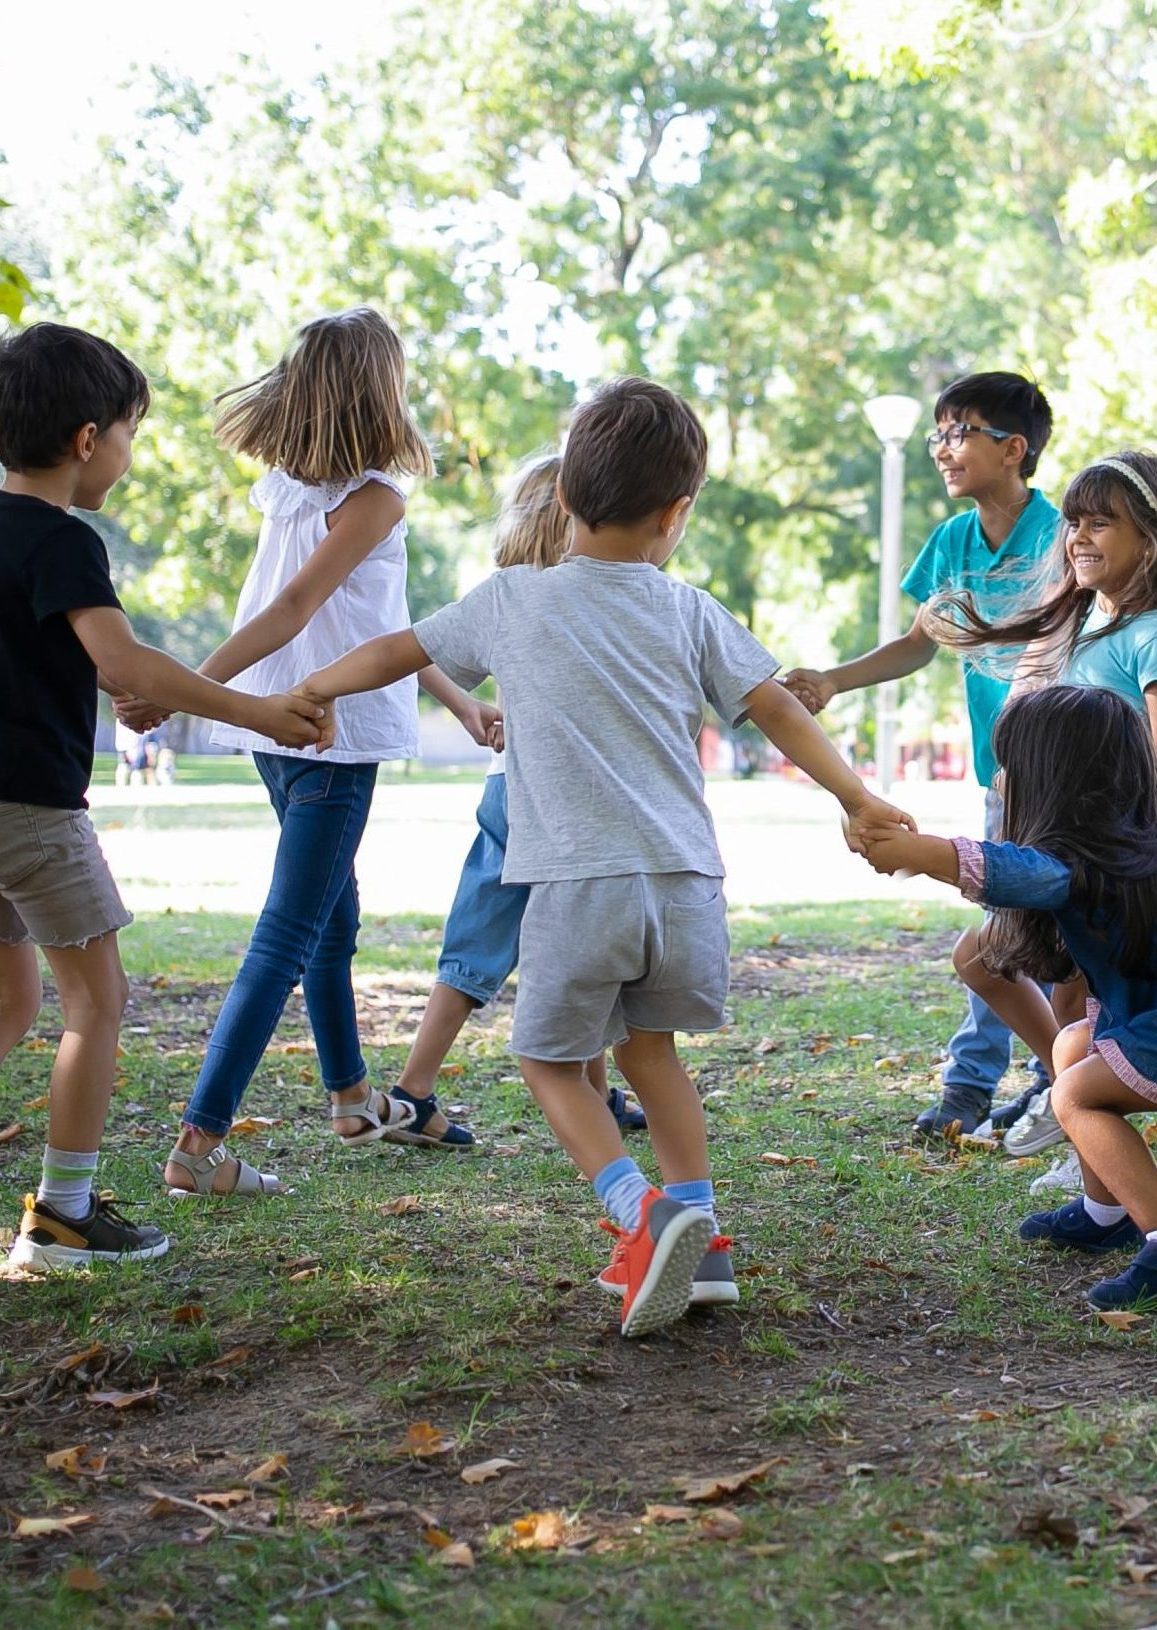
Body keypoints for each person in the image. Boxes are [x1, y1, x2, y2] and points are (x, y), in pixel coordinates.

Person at [294, 376, 914, 1337]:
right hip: (685, 887)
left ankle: (641, 1212)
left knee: (545, 1058)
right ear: (677, 514)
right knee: (651, 1055)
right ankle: (701, 1242)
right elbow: (778, 706)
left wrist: (317, 687)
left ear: (563, 502)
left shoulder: (511, 600)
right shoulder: (688, 609)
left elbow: (396, 650)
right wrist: (858, 796)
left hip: (579, 886)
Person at [111, 309, 497, 1197]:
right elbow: (289, 612)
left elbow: (382, 622)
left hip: (276, 730)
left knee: (332, 917)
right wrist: (179, 686)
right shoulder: (372, 497)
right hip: (327, 731)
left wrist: (460, 700)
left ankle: (352, 1099)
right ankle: (198, 1145)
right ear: (380, 389)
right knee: (290, 930)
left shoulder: (290, 487)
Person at [0, 322, 324, 1269]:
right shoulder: (63, 543)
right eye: (132, 435)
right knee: (95, 1001)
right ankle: (63, 1214)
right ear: (88, 440)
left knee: (9, 1005)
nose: (129, 458)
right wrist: (258, 712)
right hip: (31, 814)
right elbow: (123, 659)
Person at [784, 372, 1058, 1140]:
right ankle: (1039, 1078)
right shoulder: (950, 543)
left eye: (958, 431)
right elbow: (916, 644)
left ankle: (992, 1085)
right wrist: (832, 681)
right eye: (936, 433)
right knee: (1005, 928)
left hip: (1061, 777)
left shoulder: (1063, 533)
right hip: (997, 776)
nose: (942, 448)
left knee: (1015, 931)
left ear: (1012, 449)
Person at [862, 686, 1157, 1314]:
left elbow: (1010, 870)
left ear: (1053, 780)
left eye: (1010, 766)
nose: (999, 780)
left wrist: (917, 852)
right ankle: (1107, 1213)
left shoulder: (1074, 862)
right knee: (1072, 1045)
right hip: (1139, 1017)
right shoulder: (1131, 843)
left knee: (1074, 1094)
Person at [386, 452, 645, 1149]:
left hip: (508, 791)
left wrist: (470, 705)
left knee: (485, 943)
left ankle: (415, 1089)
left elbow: (421, 649)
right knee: (581, 938)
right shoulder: (589, 593)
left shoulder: (507, 591)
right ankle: (424, 1093)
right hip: (559, 802)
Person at [926, 450, 1157, 1167]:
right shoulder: (1082, 618)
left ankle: (1084, 1129)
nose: (1078, 537)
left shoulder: (1148, 635)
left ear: (1148, 538)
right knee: (988, 961)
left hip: (1110, 863)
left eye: (1101, 524)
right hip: (1064, 842)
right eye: (1071, 523)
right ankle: (1073, 1102)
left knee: (1061, 995)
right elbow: (1023, 716)